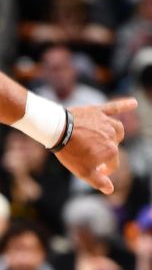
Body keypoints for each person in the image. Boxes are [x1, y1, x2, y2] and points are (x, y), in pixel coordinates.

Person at [0, 70, 136, 195]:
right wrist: (62, 126)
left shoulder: (51, 169)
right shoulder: (6, 164)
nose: (21, 150)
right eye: (17, 144)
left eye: (26, 143)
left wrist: (62, 127)